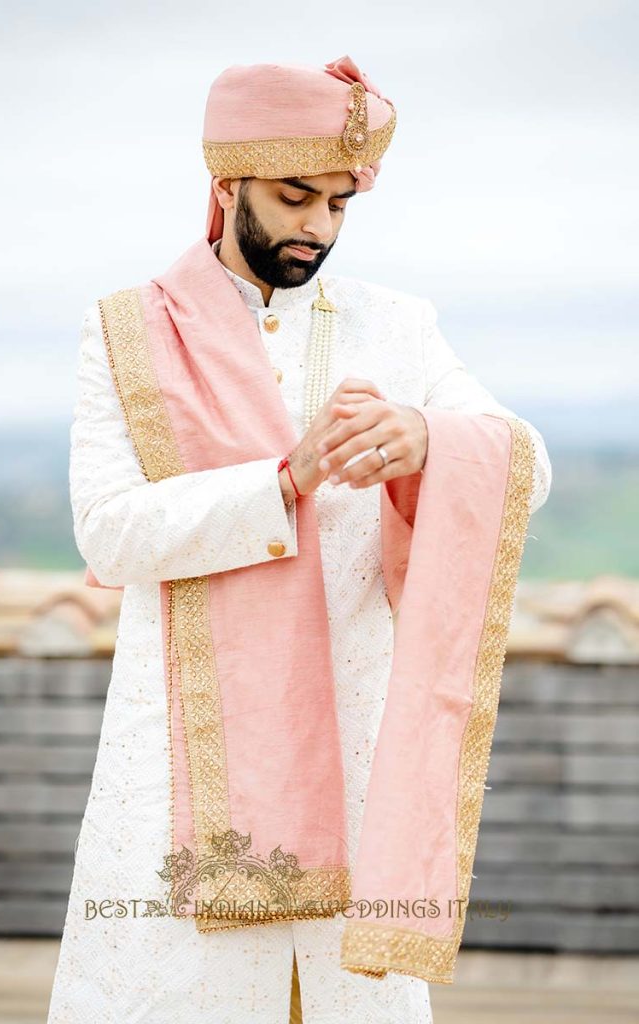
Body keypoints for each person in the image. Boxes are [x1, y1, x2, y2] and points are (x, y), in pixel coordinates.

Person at [47, 55, 552, 1024]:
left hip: (358, 726)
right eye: (292, 197)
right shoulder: (122, 332)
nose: (315, 226)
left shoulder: (397, 325)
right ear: (226, 183)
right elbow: (109, 535)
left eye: (337, 203)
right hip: (182, 749)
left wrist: (427, 438)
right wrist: (285, 479)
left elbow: (524, 468)